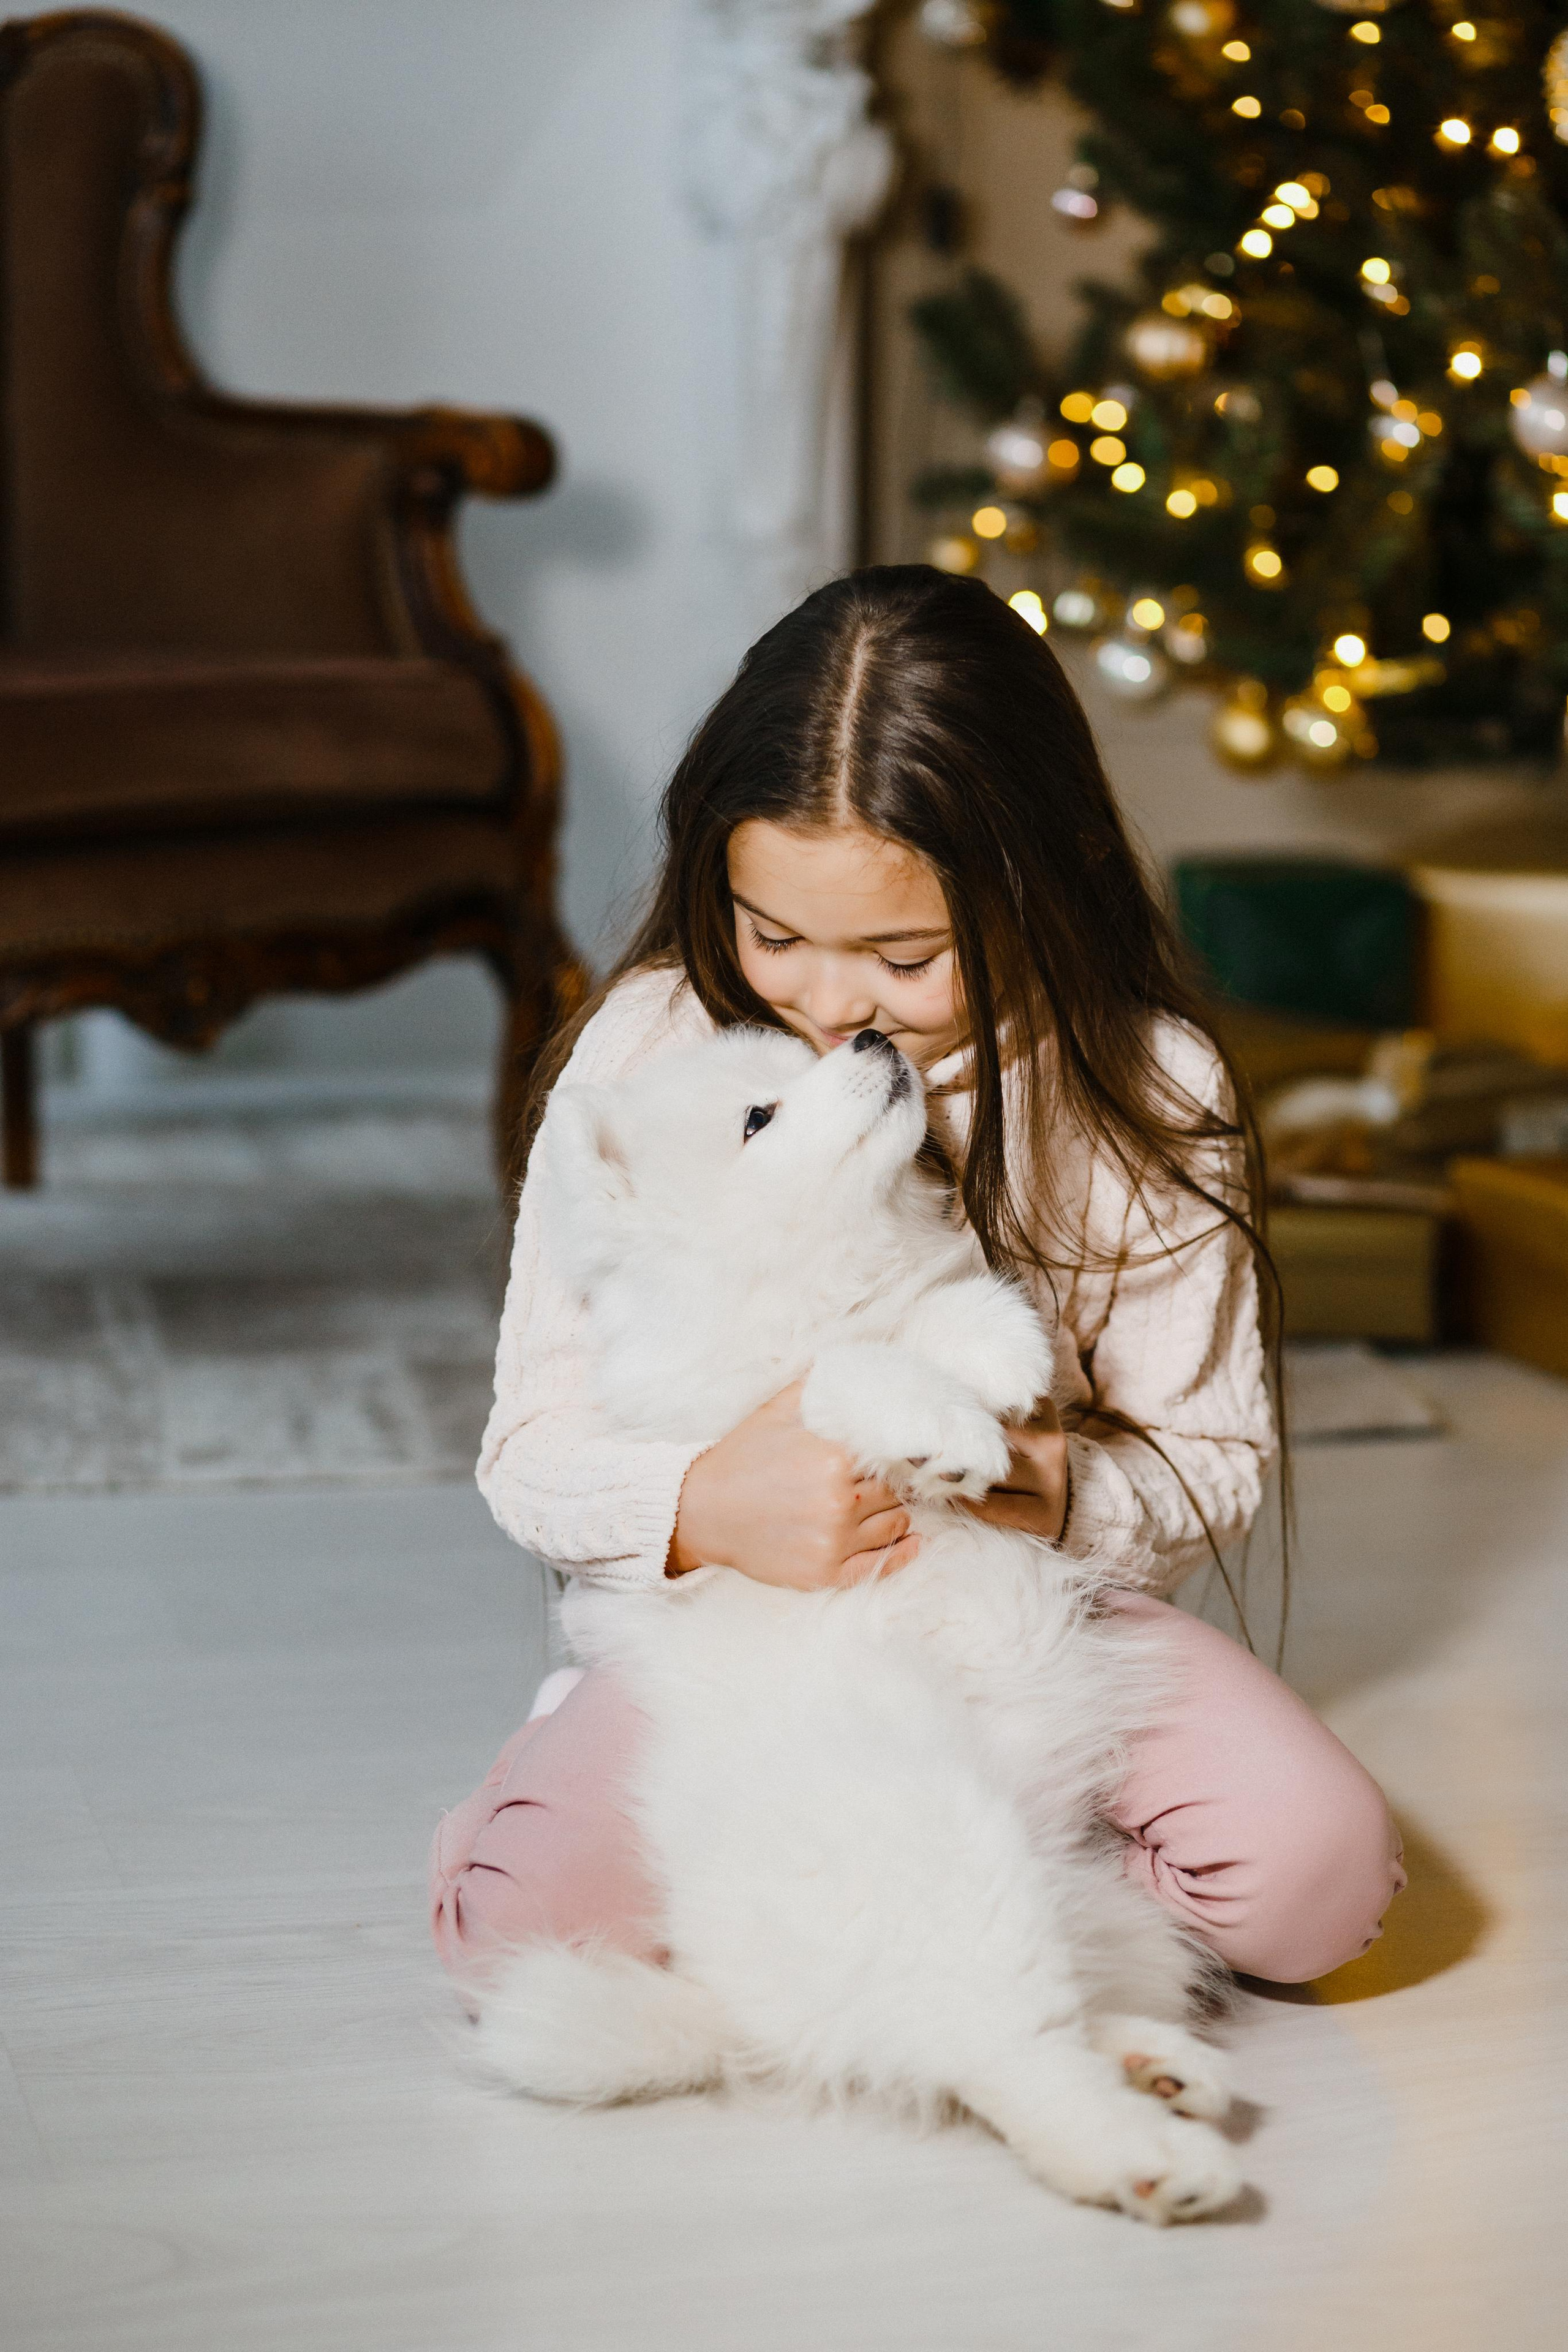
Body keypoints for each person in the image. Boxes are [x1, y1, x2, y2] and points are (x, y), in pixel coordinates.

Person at [431, 565, 1404, 1991]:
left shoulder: (1146, 1087)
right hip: (740, 1637)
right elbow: (531, 1445)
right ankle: (652, 1781)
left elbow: (1210, 1459)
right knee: (517, 1939)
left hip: (1023, 1620)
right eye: (772, 937)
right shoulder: (649, 1049)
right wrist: (700, 1508)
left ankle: (967, 1858)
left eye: (902, 955)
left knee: (1314, 1890)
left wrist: (1059, 1492)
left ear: (1038, 881)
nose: (825, 1007)